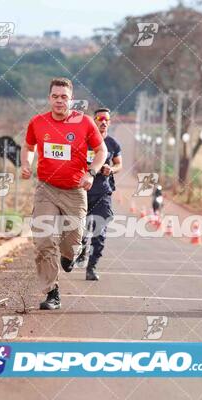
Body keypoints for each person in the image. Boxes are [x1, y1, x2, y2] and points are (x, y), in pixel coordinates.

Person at [21, 77, 107, 310]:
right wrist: (26, 164)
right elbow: (28, 147)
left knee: (71, 241)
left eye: (64, 97)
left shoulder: (85, 123)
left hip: (75, 191)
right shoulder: (37, 122)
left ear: (71, 100)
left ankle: (69, 257)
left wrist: (91, 173)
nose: (59, 101)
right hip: (46, 189)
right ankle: (52, 293)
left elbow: (101, 150)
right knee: (44, 241)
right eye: (55, 96)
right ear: (49, 98)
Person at [76, 108, 122, 281]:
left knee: (99, 230)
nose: (103, 122)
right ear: (94, 121)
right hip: (83, 191)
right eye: (100, 119)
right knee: (81, 228)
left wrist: (111, 169)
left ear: (109, 123)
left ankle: (92, 267)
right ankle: (80, 250)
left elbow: (119, 165)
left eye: (106, 119)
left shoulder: (113, 144)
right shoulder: (83, 142)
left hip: (103, 192)